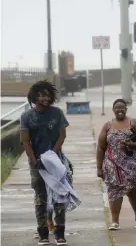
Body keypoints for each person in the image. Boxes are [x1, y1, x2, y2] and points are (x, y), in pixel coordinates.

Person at [96, 98, 136, 230]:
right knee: (114, 190)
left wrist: (134, 144)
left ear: (126, 109)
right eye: (117, 108)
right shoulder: (107, 125)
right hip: (113, 163)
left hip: (134, 162)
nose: (119, 110)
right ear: (113, 110)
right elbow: (101, 147)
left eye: (122, 108)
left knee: (134, 190)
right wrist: (99, 167)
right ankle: (114, 221)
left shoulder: (134, 122)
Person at [20, 80, 70, 245]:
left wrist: (51, 155)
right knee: (41, 198)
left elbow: (62, 136)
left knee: (59, 196)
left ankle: (60, 232)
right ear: (34, 97)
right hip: (36, 163)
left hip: (56, 161)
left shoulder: (57, 113)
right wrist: (36, 161)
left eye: (48, 94)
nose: (45, 98)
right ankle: (42, 233)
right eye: (41, 95)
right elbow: (26, 142)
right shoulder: (27, 117)